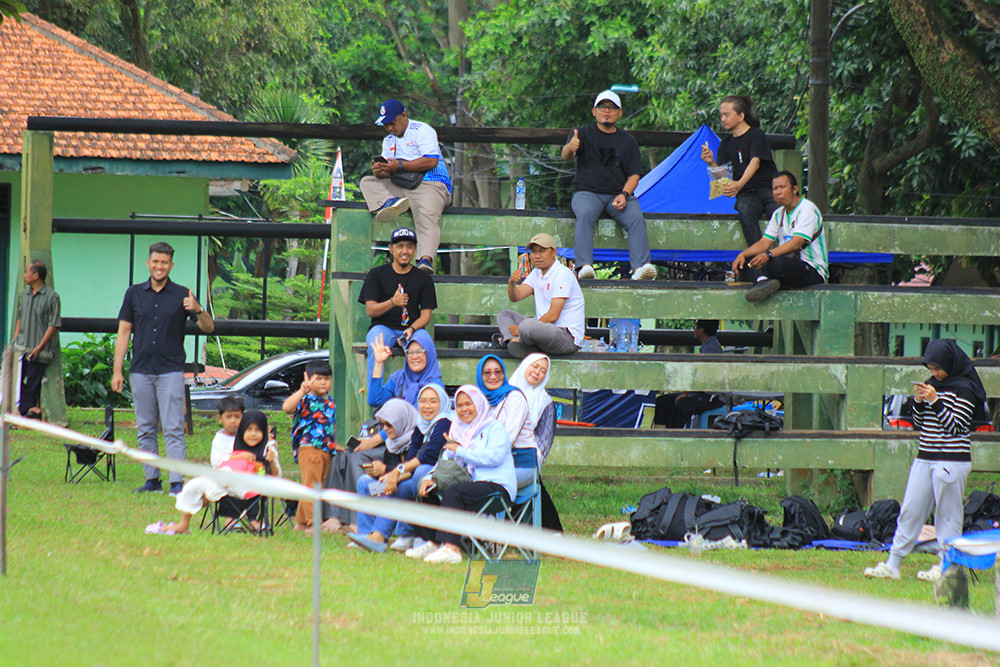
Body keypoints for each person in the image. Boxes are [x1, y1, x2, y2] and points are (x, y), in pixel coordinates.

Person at [864, 340, 985, 582]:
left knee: (948, 515)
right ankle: (893, 563)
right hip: (925, 457)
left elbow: (957, 426)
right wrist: (918, 403)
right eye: (930, 368)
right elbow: (919, 424)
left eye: (937, 368)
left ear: (949, 364)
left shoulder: (966, 389)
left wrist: (934, 401)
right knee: (910, 510)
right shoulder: (932, 385)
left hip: (951, 460)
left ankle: (946, 564)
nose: (934, 374)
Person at [112, 242, 214, 496]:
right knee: (145, 426)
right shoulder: (133, 293)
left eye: (164, 262)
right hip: (140, 370)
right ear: (148, 263)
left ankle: (176, 482)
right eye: (155, 261)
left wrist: (198, 309)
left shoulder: (183, 295)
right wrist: (117, 370)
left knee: (173, 427)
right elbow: (124, 332)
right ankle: (152, 479)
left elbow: (208, 328)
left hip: (170, 370)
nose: (159, 266)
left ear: (171, 265)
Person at [561, 90, 656, 282]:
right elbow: (566, 156)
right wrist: (570, 148)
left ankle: (640, 268)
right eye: (602, 107)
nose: (607, 111)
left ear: (620, 113)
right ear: (594, 111)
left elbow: (634, 174)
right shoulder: (582, 133)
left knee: (637, 218)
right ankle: (584, 266)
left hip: (617, 195)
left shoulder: (628, 141)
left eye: (612, 107)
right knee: (585, 214)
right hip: (587, 192)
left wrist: (624, 193)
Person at [416, 385, 516, 564]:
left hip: (497, 486)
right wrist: (428, 478)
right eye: (459, 405)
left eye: (468, 404)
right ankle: (433, 542)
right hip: (471, 485)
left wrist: (460, 450)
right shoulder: (458, 430)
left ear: (478, 404)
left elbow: (495, 457)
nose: (464, 409)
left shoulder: (494, 427)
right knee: (427, 489)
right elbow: (445, 461)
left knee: (454, 492)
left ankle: (452, 548)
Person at [145, 409, 280, 535]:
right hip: (228, 485)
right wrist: (236, 457)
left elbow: (277, 477)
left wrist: (271, 461)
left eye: (257, 430)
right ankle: (183, 524)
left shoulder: (268, 449)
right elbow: (220, 463)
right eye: (248, 429)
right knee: (194, 485)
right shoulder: (234, 446)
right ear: (242, 431)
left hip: (250, 488)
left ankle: (247, 519)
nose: (253, 434)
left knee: (213, 484)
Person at [348, 386, 450, 553]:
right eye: (422, 401)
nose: (427, 406)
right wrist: (389, 478)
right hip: (405, 481)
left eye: (433, 401)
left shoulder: (444, 422)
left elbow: (428, 456)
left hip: (432, 480)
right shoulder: (420, 427)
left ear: (442, 403)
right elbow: (410, 462)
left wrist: (393, 475)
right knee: (365, 483)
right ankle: (366, 534)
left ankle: (379, 537)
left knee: (411, 477)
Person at [359, 99, 452, 274]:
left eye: (392, 123)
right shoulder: (388, 141)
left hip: (430, 183)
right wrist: (380, 170)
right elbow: (387, 171)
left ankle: (425, 260)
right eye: (386, 125)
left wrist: (399, 166)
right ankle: (390, 203)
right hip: (400, 185)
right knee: (367, 182)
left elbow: (431, 161)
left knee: (426, 214)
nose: (390, 128)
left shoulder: (423, 131)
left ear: (404, 115)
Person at [732, 171, 827, 303]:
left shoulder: (807, 209)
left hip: (811, 269)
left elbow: (796, 243)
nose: (778, 192)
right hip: (787, 268)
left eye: (782, 187)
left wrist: (768, 254)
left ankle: (765, 280)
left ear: (794, 189)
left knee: (776, 262)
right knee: (746, 265)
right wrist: (743, 254)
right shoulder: (778, 214)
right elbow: (764, 243)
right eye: (775, 189)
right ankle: (763, 282)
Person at [358, 227, 437, 381]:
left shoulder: (424, 279)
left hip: (413, 329)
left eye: (409, 246)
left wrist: (412, 328)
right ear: (391, 249)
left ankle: (426, 390)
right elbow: (371, 311)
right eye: (400, 246)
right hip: (382, 327)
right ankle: (375, 397)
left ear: (415, 249)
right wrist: (393, 302)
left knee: (425, 344)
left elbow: (426, 315)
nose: (404, 251)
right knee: (377, 345)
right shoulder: (376, 274)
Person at [701, 95, 779, 247]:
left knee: (780, 212)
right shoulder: (725, 144)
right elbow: (724, 179)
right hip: (747, 194)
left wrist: (739, 184)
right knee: (745, 209)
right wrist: (711, 162)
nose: (723, 119)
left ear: (741, 116)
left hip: (768, 189)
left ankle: (788, 255)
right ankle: (757, 255)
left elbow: (755, 163)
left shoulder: (756, 135)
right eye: (721, 115)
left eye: (727, 115)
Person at [497, 233, 585, 359]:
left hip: (566, 337)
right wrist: (512, 283)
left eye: (542, 251)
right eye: (533, 252)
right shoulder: (536, 274)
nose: (537, 256)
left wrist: (522, 330)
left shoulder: (562, 274)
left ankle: (518, 342)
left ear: (554, 252)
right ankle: (515, 343)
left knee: (527, 326)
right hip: (542, 330)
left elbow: (553, 315)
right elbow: (515, 297)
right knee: (504, 315)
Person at [509, 353, 564, 531]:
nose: (537, 372)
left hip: (528, 456)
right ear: (525, 365)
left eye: (543, 370)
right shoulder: (506, 392)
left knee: (531, 477)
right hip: (500, 453)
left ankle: (551, 532)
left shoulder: (545, 402)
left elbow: (543, 442)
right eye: (534, 366)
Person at [282, 359, 337, 532]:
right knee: (311, 486)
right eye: (318, 378)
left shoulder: (331, 402)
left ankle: (301, 523)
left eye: (327, 379)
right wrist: (302, 390)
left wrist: (335, 445)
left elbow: (328, 427)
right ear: (308, 379)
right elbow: (286, 408)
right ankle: (314, 523)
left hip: (326, 449)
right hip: (309, 448)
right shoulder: (305, 399)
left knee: (314, 484)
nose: (323, 382)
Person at [652, 320, 725, 428]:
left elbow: (703, 378)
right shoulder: (708, 346)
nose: (694, 329)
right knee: (662, 401)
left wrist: (685, 393)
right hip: (700, 393)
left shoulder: (711, 349)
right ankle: (660, 432)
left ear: (702, 330)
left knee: (681, 405)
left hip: (711, 396)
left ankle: (675, 436)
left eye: (696, 326)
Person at [11, 260, 60, 418]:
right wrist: (15, 339)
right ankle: (32, 409)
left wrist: (39, 347)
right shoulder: (23, 295)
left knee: (33, 382)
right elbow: (20, 317)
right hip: (22, 347)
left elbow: (53, 325)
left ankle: (29, 412)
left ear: (36, 275)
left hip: (40, 350)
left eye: (27, 272)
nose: (24, 276)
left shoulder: (51, 297)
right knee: (13, 378)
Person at [367, 329, 442, 410]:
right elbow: (375, 400)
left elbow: (416, 415)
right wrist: (379, 363)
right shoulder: (399, 378)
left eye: (420, 352)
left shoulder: (435, 386)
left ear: (429, 355)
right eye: (410, 352)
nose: (414, 357)